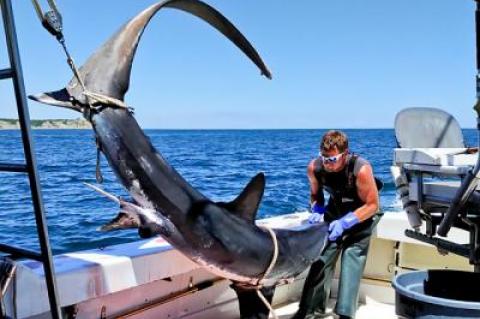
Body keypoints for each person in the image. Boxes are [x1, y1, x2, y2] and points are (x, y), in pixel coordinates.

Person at [292, 130, 381, 319]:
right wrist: (316, 210)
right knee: (321, 260)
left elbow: (373, 205)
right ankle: (309, 310)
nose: (327, 163)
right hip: (335, 211)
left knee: (351, 259)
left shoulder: (361, 169)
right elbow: (316, 195)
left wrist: (346, 222)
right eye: (323, 157)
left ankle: (345, 313)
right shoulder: (314, 168)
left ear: (345, 153)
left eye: (332, 159)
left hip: (361, 215)